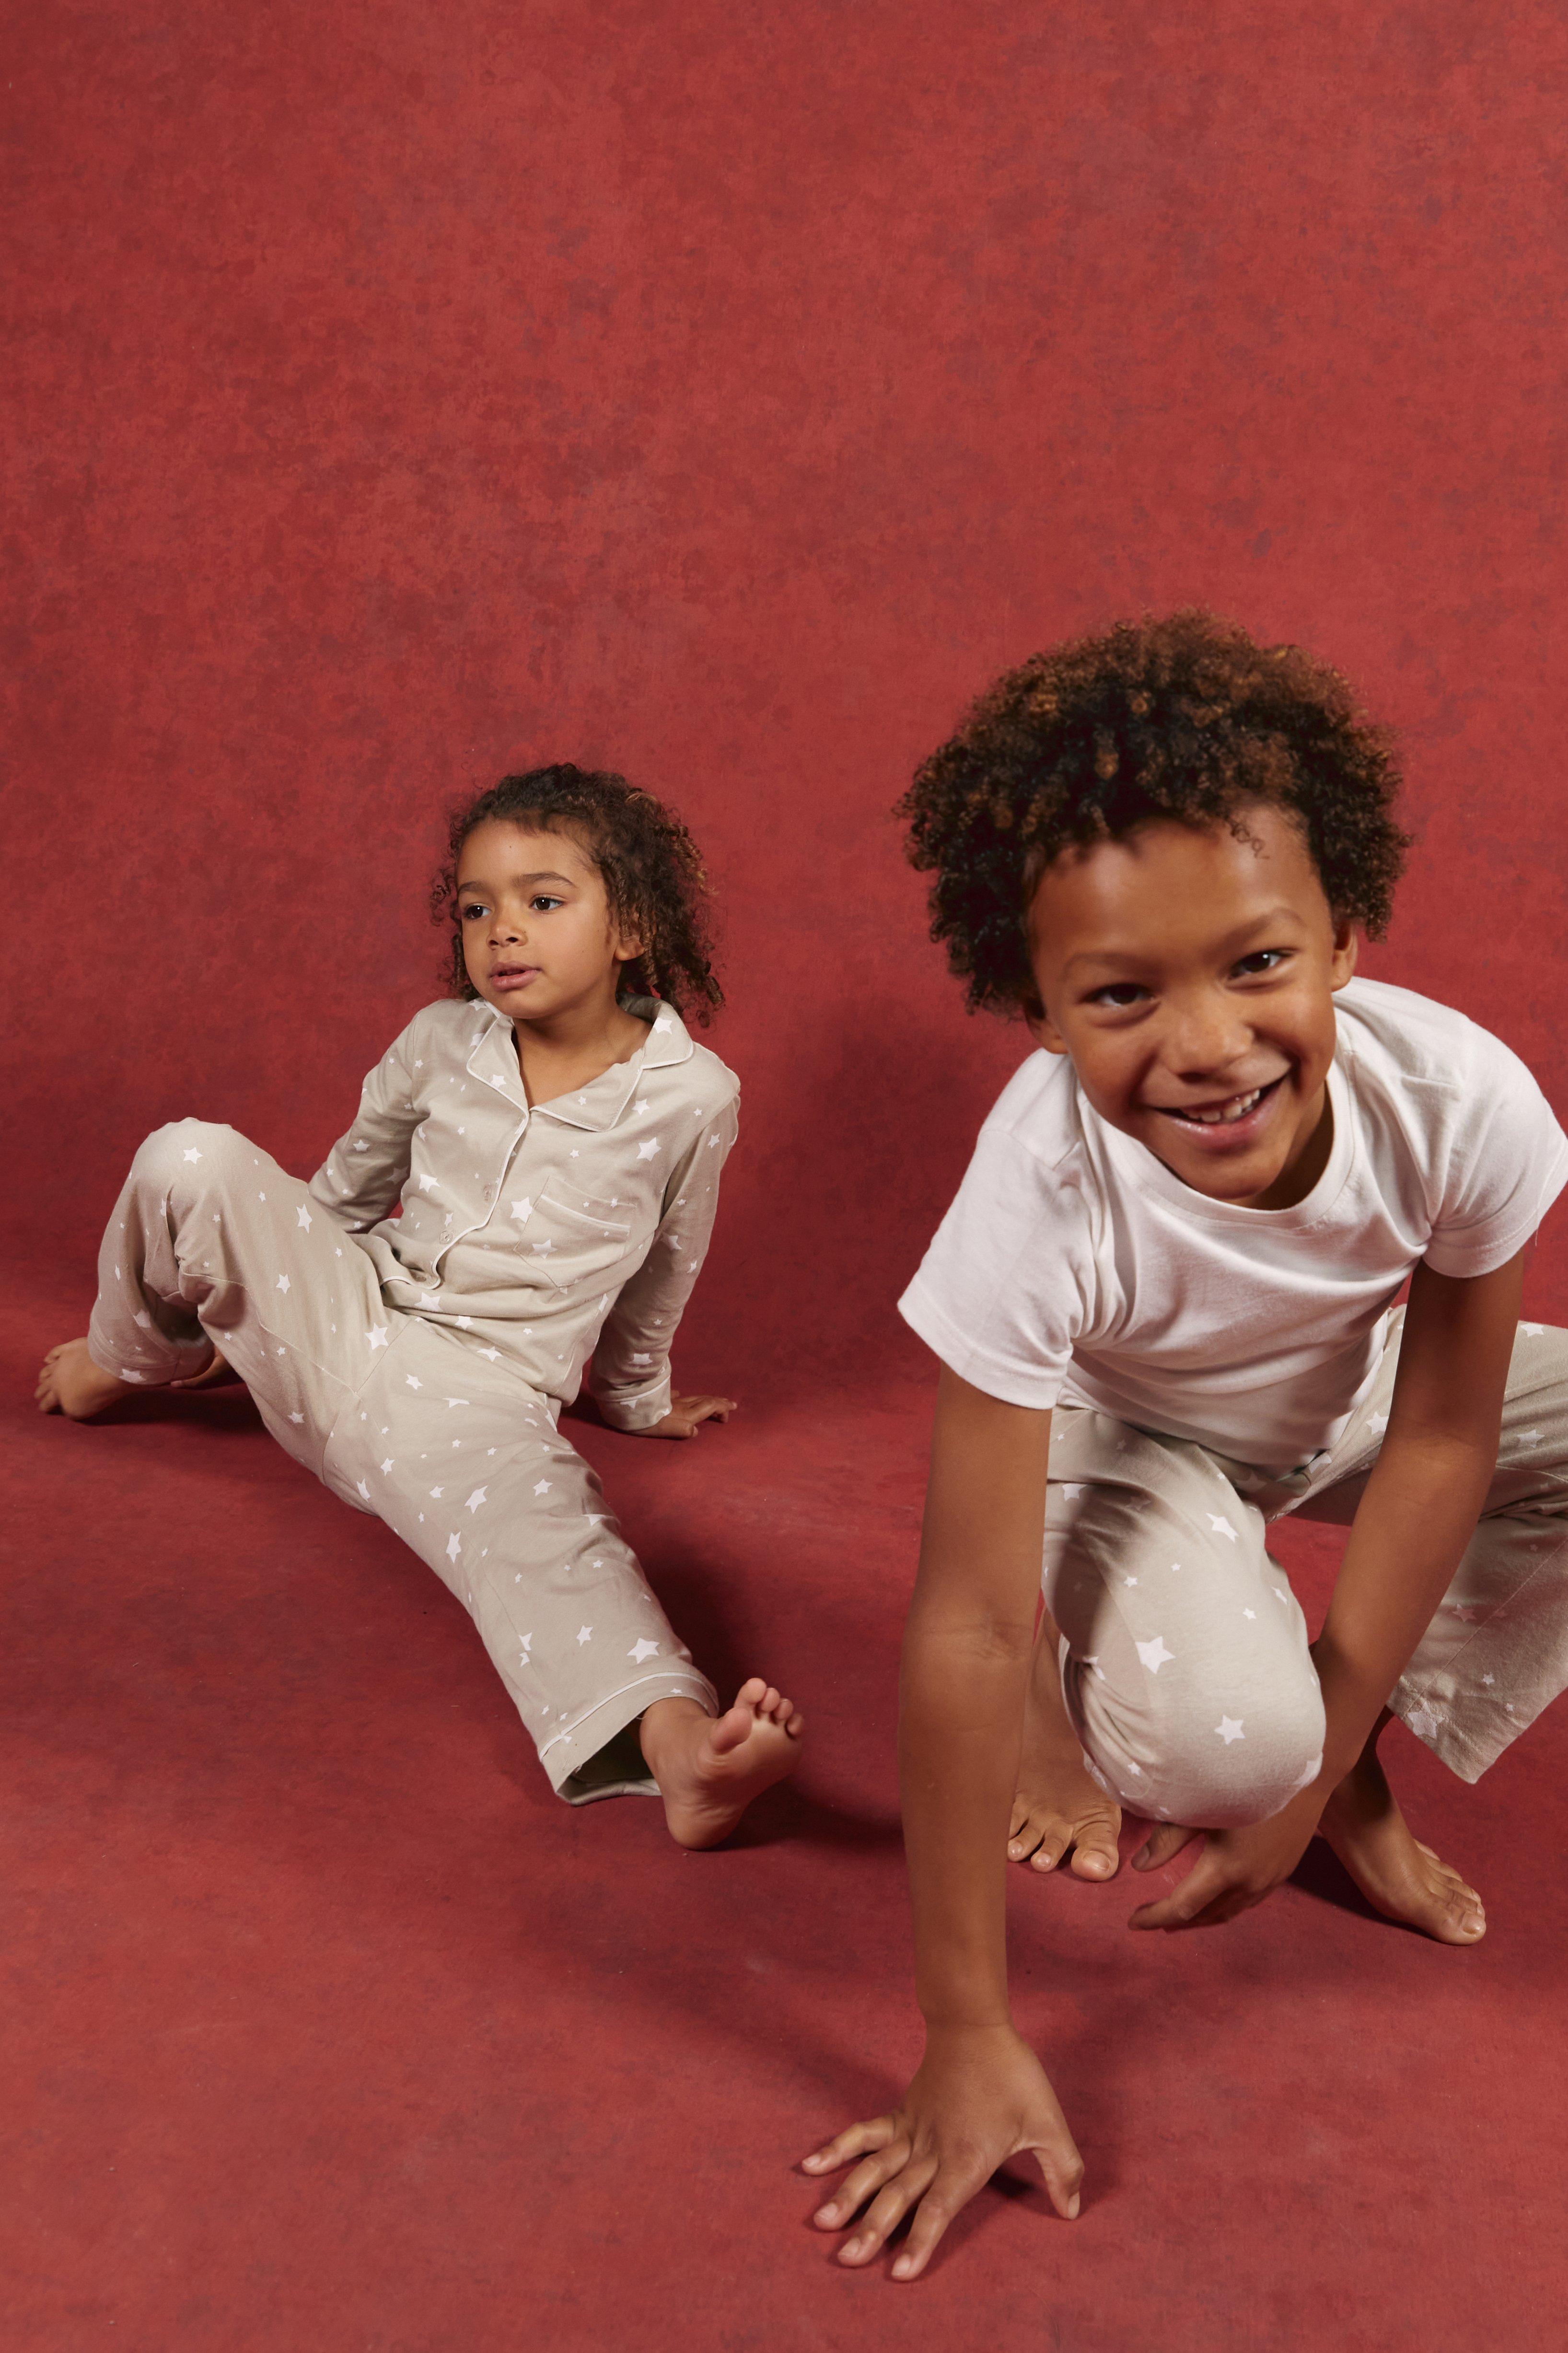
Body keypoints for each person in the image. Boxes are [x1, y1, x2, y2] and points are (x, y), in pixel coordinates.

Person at [802, 613, 1568, 2276]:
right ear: (1034, 1002)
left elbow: (1444, 1427)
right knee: (1225, 1734)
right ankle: (1170, 1699)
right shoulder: (1041, 1189)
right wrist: (963, 2026)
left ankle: (1342, 1749)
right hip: (1123, 1439)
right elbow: (955, 1610)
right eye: (1122, 994)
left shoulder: (1466, 1104)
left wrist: (1335, 1755)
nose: (1210, 1042)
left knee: (1302, 1733)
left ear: (1346, 934)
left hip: (1336, 1395)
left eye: (1256, 963)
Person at [37, 763, 802, 1844]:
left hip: (478, 1401)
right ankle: (134, 1359)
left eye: (542, 902)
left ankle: (680, 1750)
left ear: (630, 924)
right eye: (478, 909)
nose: (501, 933)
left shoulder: (693, 1097)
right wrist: (256, 1301)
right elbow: (336, 1198)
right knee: (190, 1156)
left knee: (550, 1541)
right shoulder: (440, 1041)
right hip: (350, 1317)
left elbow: (669, 1263)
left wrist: (635, 1397)